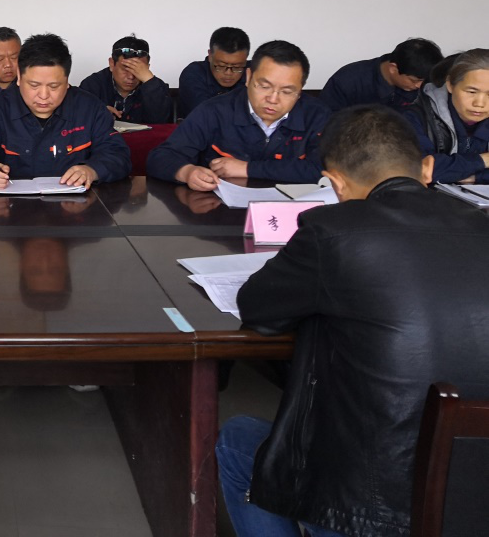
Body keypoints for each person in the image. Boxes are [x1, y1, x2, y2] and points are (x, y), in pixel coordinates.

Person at [217, 105, 489, 537]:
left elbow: (258, 309)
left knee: (237, 440)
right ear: (426, 168)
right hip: (473, 493)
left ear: (335, 183)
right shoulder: (482, 224)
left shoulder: (332, 231)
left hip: (364, 504)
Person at [0, 33, 131, 191]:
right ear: (19, 78)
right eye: (34, 85)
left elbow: (118, 155)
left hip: (75, 209)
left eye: (54, 86)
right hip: (12, 209)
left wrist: (92, 171)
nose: (44, 96)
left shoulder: (90, 108)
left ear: (67, 82)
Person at [148, 40, 331, 188]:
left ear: (300, 90)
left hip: (293, 214)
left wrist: (248, 169)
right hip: (219, 213)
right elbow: (161, 157)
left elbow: (329, 171)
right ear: (248, 77)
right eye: (264, 86)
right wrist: (187, 172)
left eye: (287, 91)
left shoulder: (317, 115)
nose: (273, 99)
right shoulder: (215, 111)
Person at [403, 48, 489, 184]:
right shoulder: (414, 118)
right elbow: (421, 170)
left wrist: (476, 177)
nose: (479, 103)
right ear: (450, 85)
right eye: (471, 92)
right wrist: (483, 160)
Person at [320, 37, 444, 112]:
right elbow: (327, 122)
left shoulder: (428, 84)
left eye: (425, 81)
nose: (419, 86)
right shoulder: (348, 80)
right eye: (414, 80)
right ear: (393, 68)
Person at [78, 35, 173, 124]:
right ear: (112, 64)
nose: (131, 77)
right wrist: (96, 113)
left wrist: (150, 83)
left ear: (147, 68)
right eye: (125, 69)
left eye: (138, 70)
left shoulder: (157, 87)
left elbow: (162, 123)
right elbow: (79, 121)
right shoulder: (92, 85)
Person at [177, 27, 250, 117]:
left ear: (245, 59)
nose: (228, 73)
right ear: (210, 55)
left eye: (237, 67)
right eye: (221, 66)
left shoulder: (254, 73)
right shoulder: (193, 74)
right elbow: (207, 115)